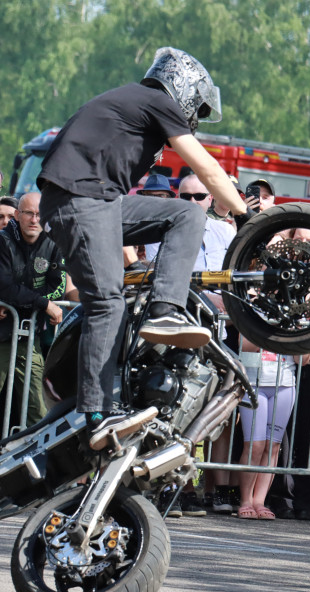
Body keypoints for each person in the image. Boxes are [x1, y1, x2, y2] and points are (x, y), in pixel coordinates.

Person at [37, 47, 250, 448]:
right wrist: (243, 214)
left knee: (185, 216)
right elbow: (205, 167)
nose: (197, 118)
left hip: (97, 201)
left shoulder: (133, 103)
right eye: (198, 109)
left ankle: (163, 310)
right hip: (81, 200)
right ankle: (96, 412)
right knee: (107, 302)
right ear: (183, 86)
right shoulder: (156, 100)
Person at [0, 191, 67, 451]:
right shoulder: (1, 241)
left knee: (38, 408)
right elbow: (3, 287)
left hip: (28, 337)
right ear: (18, 215)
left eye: (39, 214)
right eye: (28, 213)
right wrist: (41, 304)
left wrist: (19, 306)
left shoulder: (54, 242)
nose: (34, 219)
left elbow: (59, 287)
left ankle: (40, 465)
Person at [236, 340, 301, 521]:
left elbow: (302, 359)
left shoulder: (293, 319)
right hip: (253, 382)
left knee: (272, 445)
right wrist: (274, 334)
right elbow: (245, 345)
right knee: (255, 445)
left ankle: (260, 501)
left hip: (285, 384)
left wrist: (300, 337)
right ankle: (246, 500)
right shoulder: (255, 312)